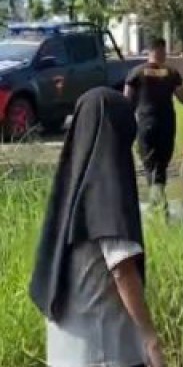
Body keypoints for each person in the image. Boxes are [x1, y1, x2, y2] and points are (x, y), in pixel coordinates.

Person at [30, 88, 166, 367]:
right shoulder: (106, 187)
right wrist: (150, 338)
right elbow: (122, 268)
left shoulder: (72, 187)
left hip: (66, 349)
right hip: (104, 350)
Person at [123, 37, 183, 212]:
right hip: (166, 123)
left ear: (148, 51)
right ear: (161, 50)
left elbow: (126, 101)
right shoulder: (171, 73)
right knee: (161, 164)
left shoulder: (136, 73)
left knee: (149, 164)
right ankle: (159, 203)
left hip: (146, 123)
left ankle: (157, 204)